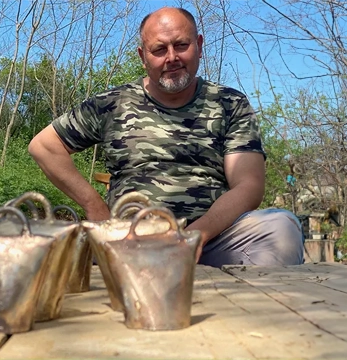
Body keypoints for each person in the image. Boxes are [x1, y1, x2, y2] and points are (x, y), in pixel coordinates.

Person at [29, 6, 304, 268]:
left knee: (282, 228)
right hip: (128, 240)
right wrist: (94, 206)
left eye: (181, 45)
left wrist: (196, 236)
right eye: (159, 49)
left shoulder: (229, 103)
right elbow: (44, 146)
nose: (171, 57)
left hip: (212, 241)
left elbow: (248, 185)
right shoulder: (112, 104)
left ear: (199, 44)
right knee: (34, 240)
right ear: (143, 56)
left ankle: (252, 312)